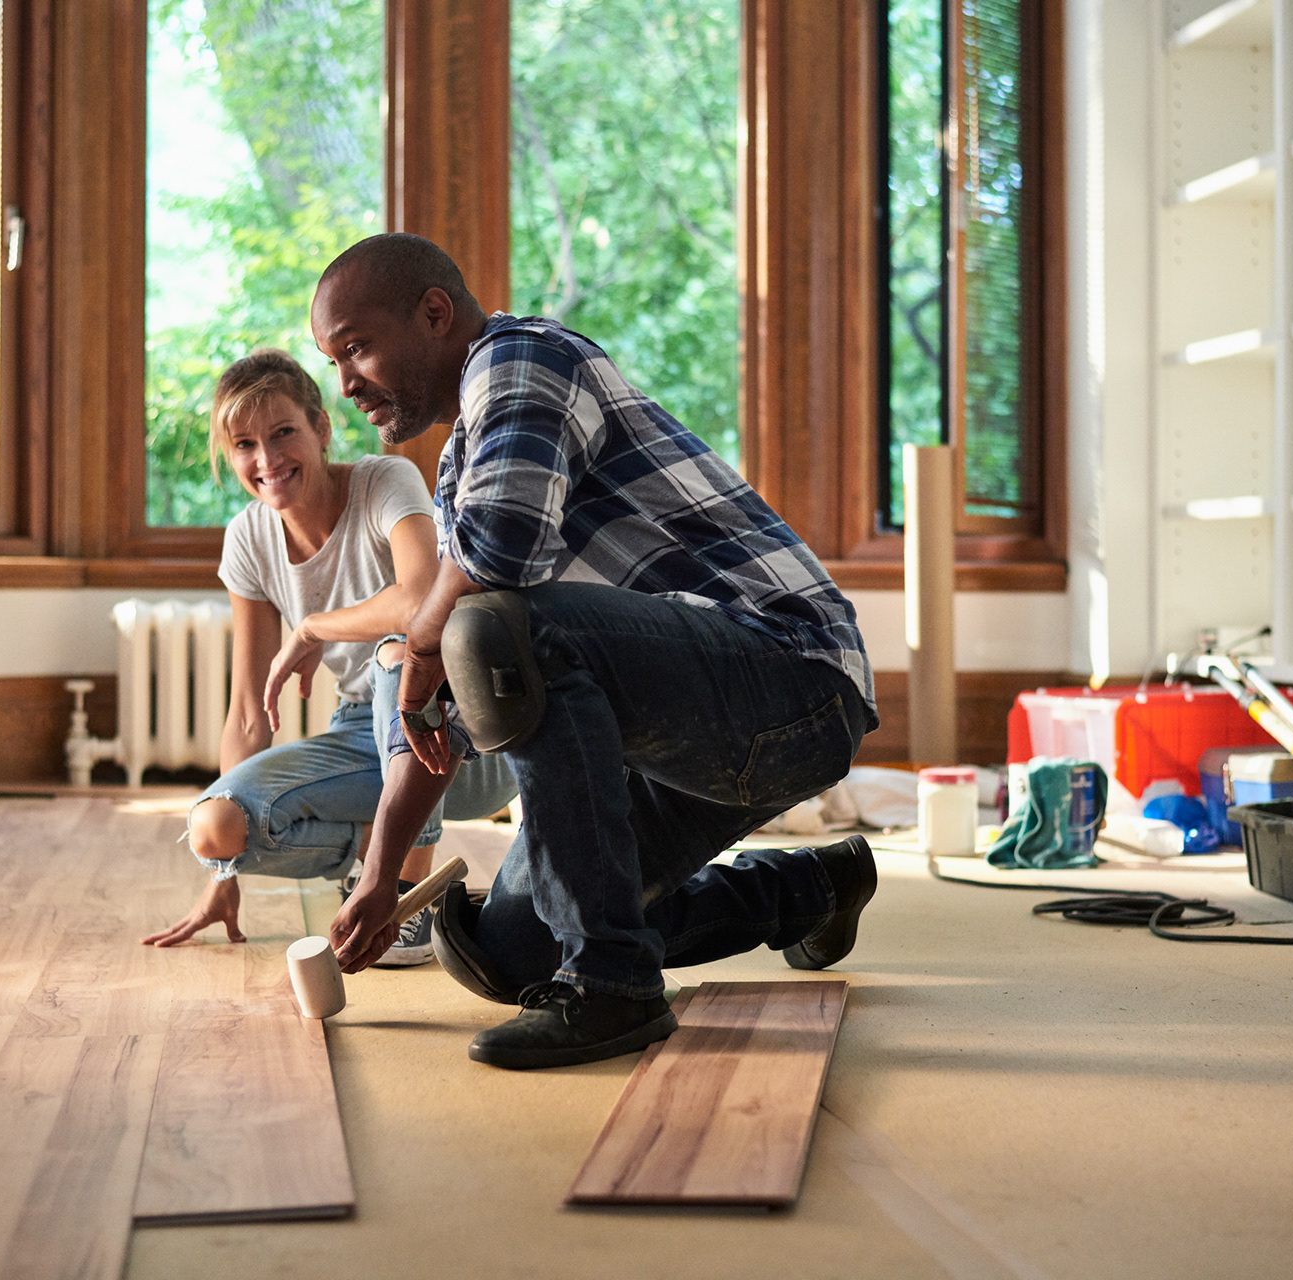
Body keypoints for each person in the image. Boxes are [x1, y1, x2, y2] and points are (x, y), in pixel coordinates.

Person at [312, 234, 878, 1069]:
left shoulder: (523, 358)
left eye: (356, 346)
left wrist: (429, 640)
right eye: (334, 360)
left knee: (490, 627)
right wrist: (379, 879)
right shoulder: (464, 458)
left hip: (791, 680)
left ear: (435, 313)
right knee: (508, 948)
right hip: (695, 734)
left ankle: (614, 989)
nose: (347, 382)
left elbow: (500, 556)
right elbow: (441, 716)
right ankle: (811, 889)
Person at [141, 348, 516, 960]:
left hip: (461, 735)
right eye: (244, 445)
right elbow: (246, 711)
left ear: (321, 427)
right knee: (213, 827)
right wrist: (222, 875)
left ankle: (402, 888)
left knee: (395, 651)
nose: (266, 460)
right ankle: (377, 847)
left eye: (283, 432)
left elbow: (423, 599)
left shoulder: (383, 482)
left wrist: (315, 627)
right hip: (360, 732)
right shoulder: (248, 539)